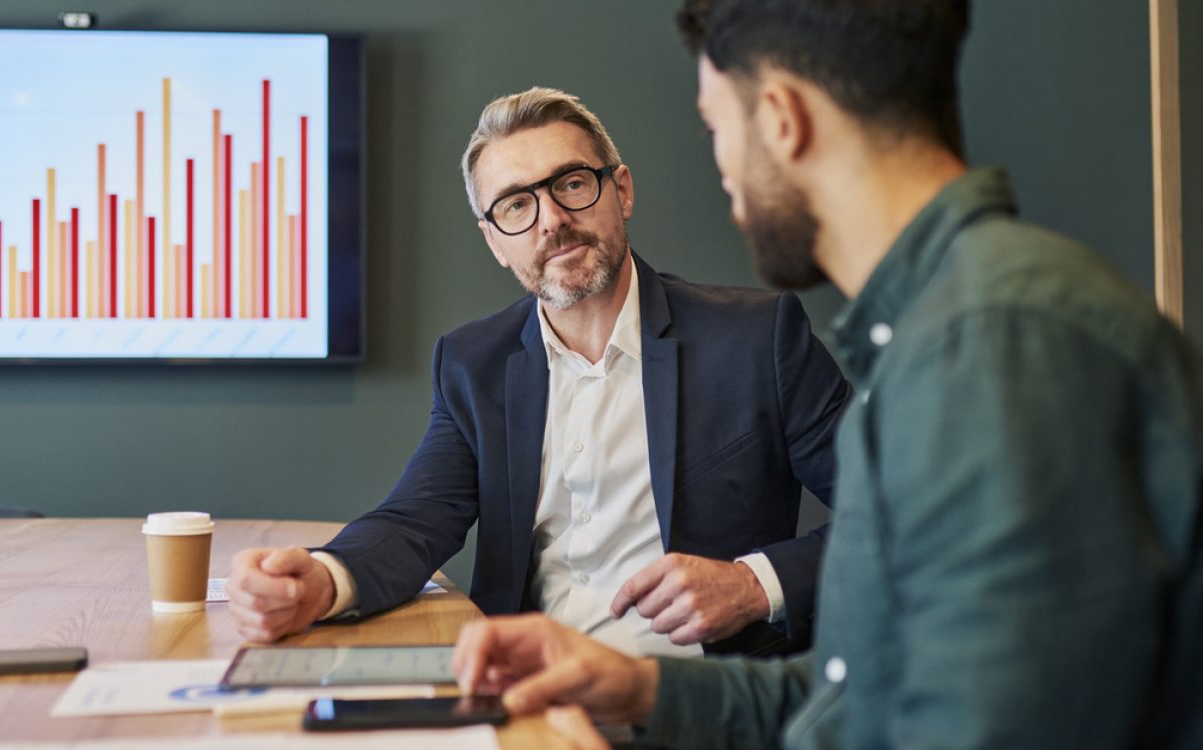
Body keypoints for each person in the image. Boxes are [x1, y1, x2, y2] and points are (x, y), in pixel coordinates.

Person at [451, 1, 1203, 747]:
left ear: (781, 118)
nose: (724, 174)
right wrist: (638, 685)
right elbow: (870, 689)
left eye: (713, 128)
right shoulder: (946, 327)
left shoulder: (1000, 347)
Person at [227, 87, 851, 658]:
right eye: (516, 205)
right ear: (496, 242)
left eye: (572, 184)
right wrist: (324, 581)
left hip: (703, 703)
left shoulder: (756, 339)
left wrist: (751, 583)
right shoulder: (474, 364)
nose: (551, 219)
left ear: (622, 190)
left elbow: (898, 511)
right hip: (531, 697)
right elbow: (416, 520)